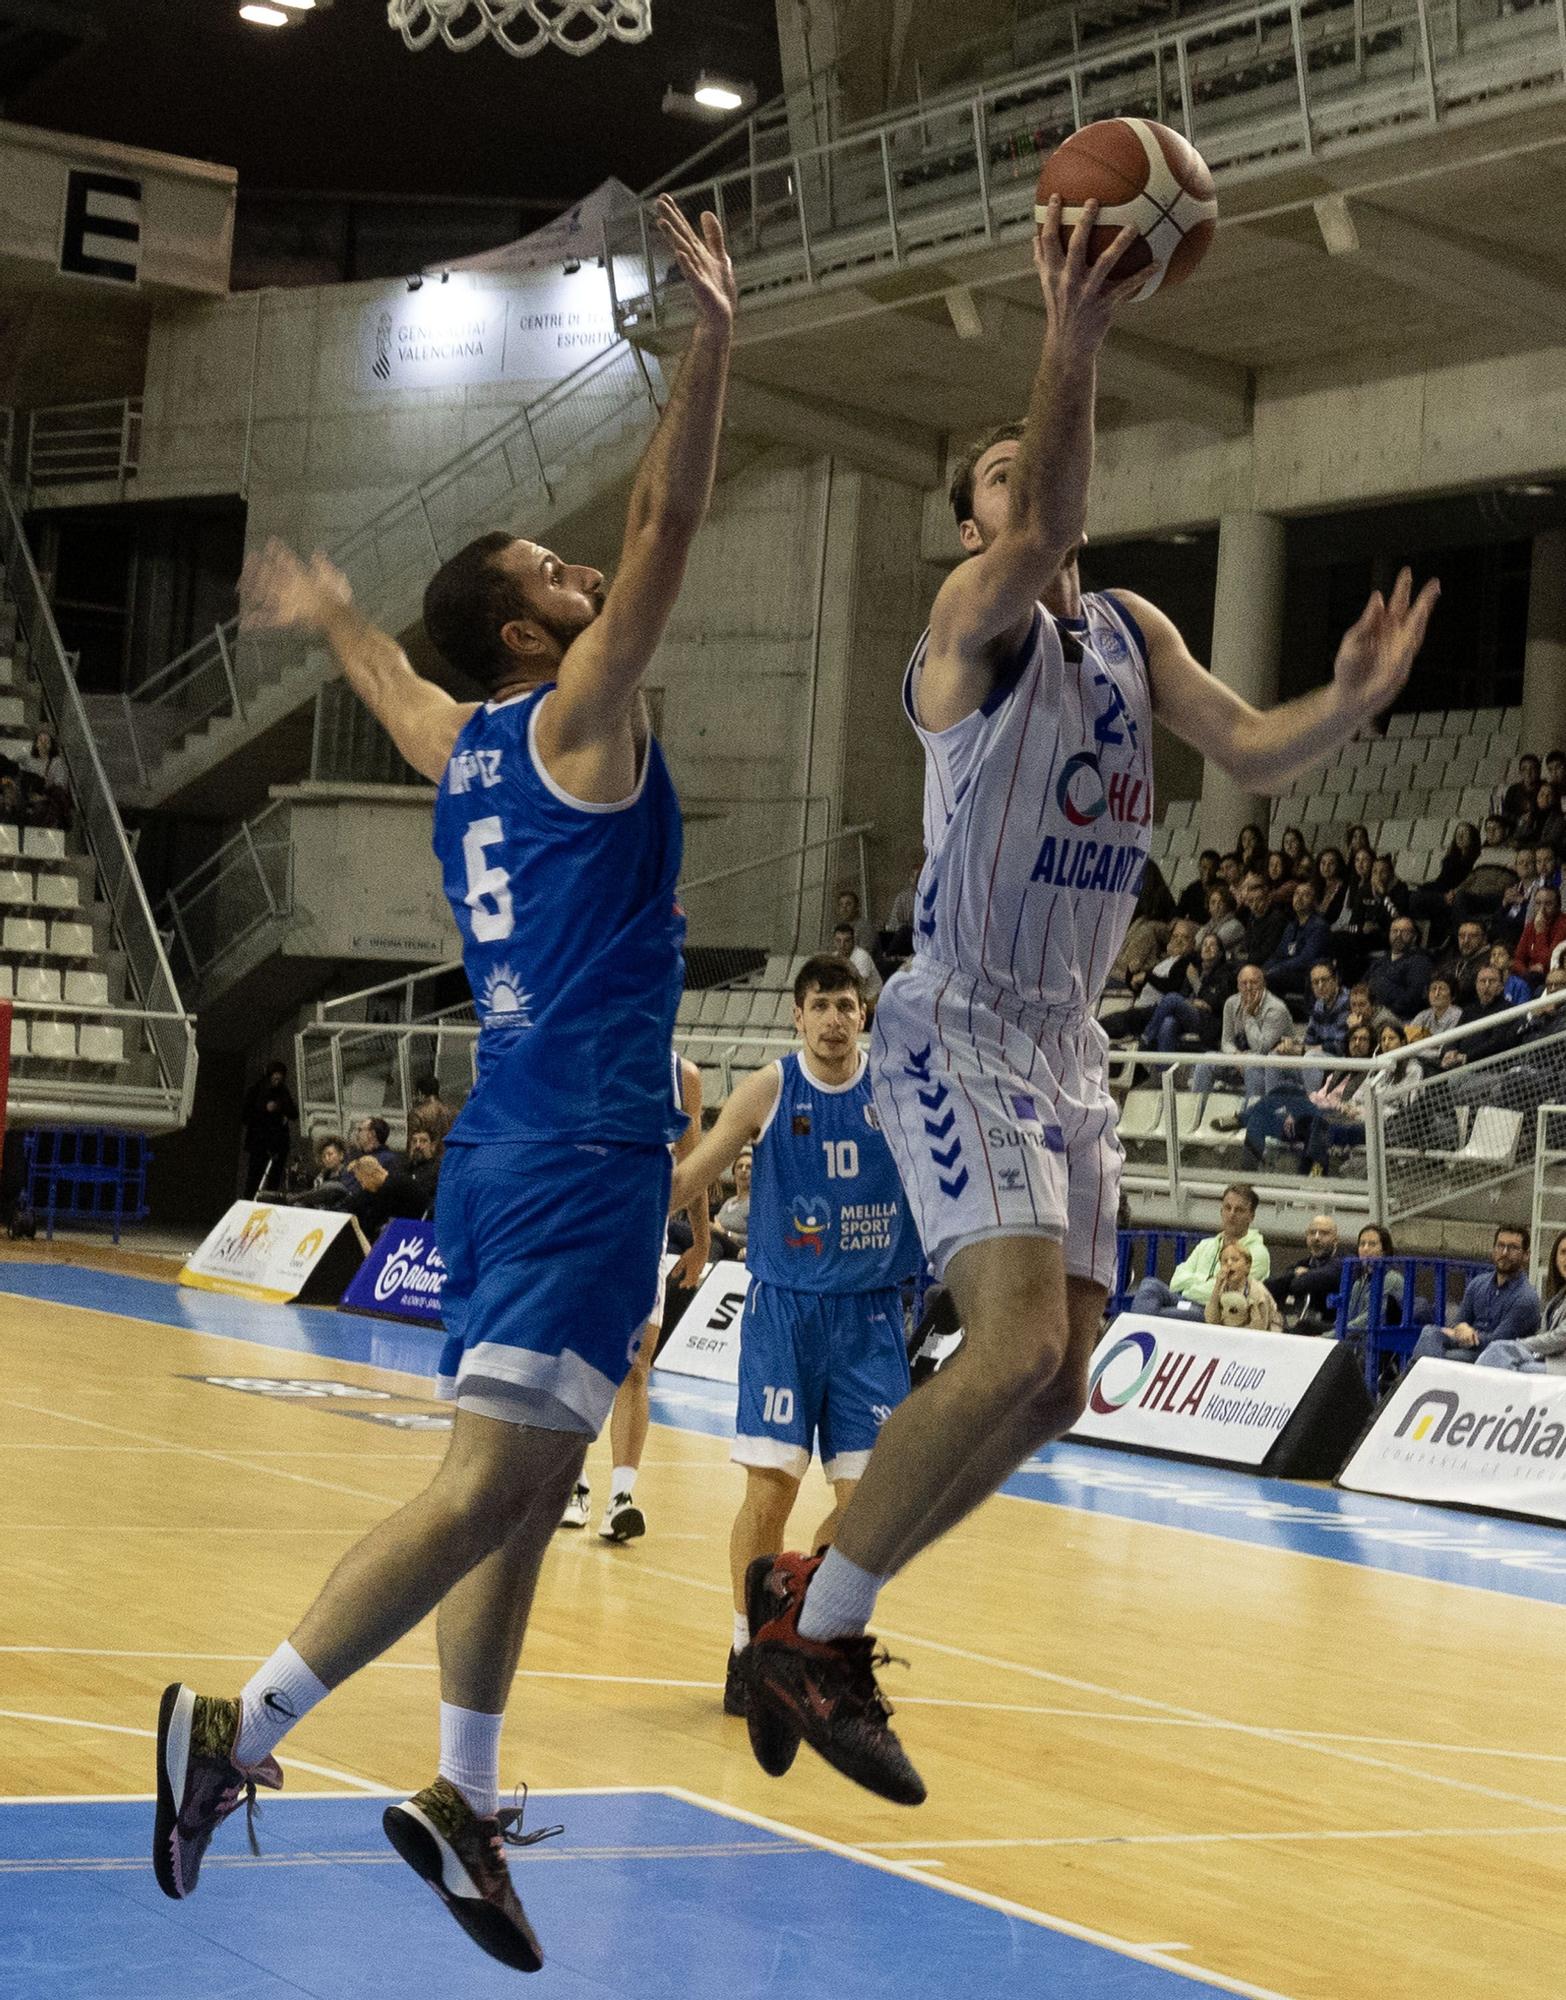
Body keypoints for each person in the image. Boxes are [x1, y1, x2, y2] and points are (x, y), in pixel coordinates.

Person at [730, 197, 1435, 1810]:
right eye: (993, 482)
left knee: (1062, 1380)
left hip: (1067, 1040)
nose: (1022, 498)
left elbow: (1250, 751)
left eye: (1021, 475)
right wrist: (1076, 324)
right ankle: (820, 1633)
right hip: (961, 1016)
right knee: (1007, 1347)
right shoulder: (961, 637)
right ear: (967, 522)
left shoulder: (1128, 628)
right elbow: (1039, 530)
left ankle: (810, 1595)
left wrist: (1353, 700)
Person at [149, 197, 738, 1970]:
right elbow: (669, 516)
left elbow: (396, 690)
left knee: (534, 1480)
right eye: (551, 575)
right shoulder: (574, 720)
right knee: (490, 1490)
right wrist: (712, 344)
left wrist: (333, 616)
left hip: (515, 1142)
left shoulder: (466, 743)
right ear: (524, 633)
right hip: (569, 1150)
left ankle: (464, 1793)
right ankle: (238, 1735)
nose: (584, 577)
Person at [667, 954, 917, 1719]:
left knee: (874, 1507)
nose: (836, 1018)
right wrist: (612, 1209)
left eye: (847, 1003)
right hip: (786, 1313)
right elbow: (691, 1174)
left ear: (864, 1016)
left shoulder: (899, 1091)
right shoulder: (771, 1089)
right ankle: (749, 1650)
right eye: (821, 1005)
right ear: (796, 1017)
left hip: (872, 1317)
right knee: (769, 1495)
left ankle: (807, 1625)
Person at [569, 1053, 711, 1544]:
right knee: (578, 1363)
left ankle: (621, 1497)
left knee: (635, 1365)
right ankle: (575, 1483)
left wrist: (702, 1238)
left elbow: (691, 1166)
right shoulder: (584, 1064)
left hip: (645, 1244)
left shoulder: (682, 1077)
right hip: (582, 1240)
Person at [1132, 1185, 1271, 1319]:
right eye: (1227, 1208)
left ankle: (1137, 1335)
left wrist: (1190, 1287)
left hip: (1217, 1312)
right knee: (1149, 1285)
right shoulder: (1206, 1245)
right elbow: (1176, 1281)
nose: (1232, 1214)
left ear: (1251, 1216)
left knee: (1156, 1314)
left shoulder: (1257, 1253)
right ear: (1221, 1211)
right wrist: (1207, 1280)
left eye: (1239, 1210)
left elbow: (1226, 1293)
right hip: (1185, 1300)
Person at [1408, 1225, 1540, 1363]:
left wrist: (1469, 1335)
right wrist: (1462, 1329)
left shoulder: (1526, 1298)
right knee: (1430, 1332)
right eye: (1500, 1245)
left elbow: (1498, 1341)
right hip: (1468, 1344)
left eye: (1513, 1248)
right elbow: (1459, 1322)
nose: (1505, 1252)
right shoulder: (1478, 1283)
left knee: (1441, 1358)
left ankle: (1416, 1377)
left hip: (1497, 1357)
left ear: (1526, 1255)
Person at [1195, 961, 1293, 1106]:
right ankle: (1196, 1115)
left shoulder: (1276, 1009)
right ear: (1237, 986)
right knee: (1205, 1061)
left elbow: (1261, 1048)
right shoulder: (1231, 1003)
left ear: (1263, 984)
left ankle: (1251, 1120)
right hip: (1239, 1060)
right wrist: (1236, 1056)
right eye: (1244, 983)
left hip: (1268, 1067)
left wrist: (1249, 1015)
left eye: (1253, 982)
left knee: (1252, 1067)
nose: (1248, 988)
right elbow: (1226, 1042)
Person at [1477, 1227, 1566, 1373]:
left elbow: (1560, 1337)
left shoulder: (1526, 1296)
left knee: (1506, 1356)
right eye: (1563, 1252)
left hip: (1559, 1366)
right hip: (1551, 1361)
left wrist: (1518, 1344)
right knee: (1500, 1351)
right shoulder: (1559, 1297)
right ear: (1555, 1258)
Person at [1263, 882, 1334, 997]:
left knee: (1271, 978)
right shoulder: (1291, 926)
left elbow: (1305, 960)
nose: (1299, 899)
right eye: (1296, 894)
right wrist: (1263, 968)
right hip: (1287, 971)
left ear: (1314, 902)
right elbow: (1278, 955)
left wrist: (1275, 969)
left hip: (1307, 976)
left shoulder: (1319, 927)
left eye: (1305, 895)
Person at [1267, 1213, 1342, 1319]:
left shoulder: (1343, 1262)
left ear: (1336, 1239)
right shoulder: (1302, 1264)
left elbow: (1305, 1283)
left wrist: (1301, 1277)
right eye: (1312, 1232)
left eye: (1324, 1233)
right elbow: (1269, 1287)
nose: (1316, 1238)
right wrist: (1293, 1274)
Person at [240, 1061, 297, 1198]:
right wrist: (264, 1110)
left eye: (280, 1079)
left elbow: (294, 1113)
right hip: (259, 1141)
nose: (277, 1081)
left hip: (278, 1143)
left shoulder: (283, 1092)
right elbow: (245, 1116)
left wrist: (279, 1107)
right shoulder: (256, 1090)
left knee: (274, 1179)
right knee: (254, 1178)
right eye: (274, 1078)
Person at [1204, 1240, 1282, 1331]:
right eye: (1224, 1261)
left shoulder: (1257, 1292)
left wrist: (1234, 1335)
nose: (1229, 1264)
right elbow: (1211, 1320)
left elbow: (1259, 1328)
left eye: (1235, 1260)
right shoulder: (1221, 1288)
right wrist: (1216, 1287)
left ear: (1247, 1266)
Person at [1366, 916, 1431, 1021]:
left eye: (1404, 932)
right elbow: (1363, 987)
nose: (1398, 935)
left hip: (1401, 1019)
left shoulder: (1420, 962)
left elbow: (1413, 1000)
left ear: (1414, 937)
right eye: (1394, 931)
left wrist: (1384, 1008)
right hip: (1373, 1015)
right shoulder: (1379, 962)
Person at [1513, 887, 1566, 989]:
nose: (1542, 909)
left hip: (1554, 977)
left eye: (1548, 904)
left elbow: (1548, 962)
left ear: (1558, 906)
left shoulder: (1563, 925)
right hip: (1531, 976)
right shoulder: (1531, 925)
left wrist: (1540, 933)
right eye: (1538, 903)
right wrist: (1527, 971)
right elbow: (1517, 959)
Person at [832, 922, 883, 1006]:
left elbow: (858, 985)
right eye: (838, 941)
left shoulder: (862, 956)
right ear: (834, 941)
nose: (842, 945)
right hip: (852, 998)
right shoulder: (833, 957)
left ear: (853, 941)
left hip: (871, 1000)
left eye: (847, 941)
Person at [409, 1073, 457, 1147]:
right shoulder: (454, 1111)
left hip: (428, 1157)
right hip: (451, 1156)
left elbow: (412, 1145)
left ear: (420, 1092)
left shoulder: (417, 1113)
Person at [1175, 848, 1221, 923]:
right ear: (1199, 866)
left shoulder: (1222, 887)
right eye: (1204, 867)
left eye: (1211, 868)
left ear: (1217, 869)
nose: (1207, 872)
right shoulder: (1193, 888)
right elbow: (1180, 910)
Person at [1501, 753, 1542, 828]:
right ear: (1520, 772)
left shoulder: (1544, 788)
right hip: (1517, 828)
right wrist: (1519, 819)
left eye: (1532, 768)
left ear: (1538, 770)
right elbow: (1505, 813)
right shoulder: (1513, 790)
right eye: (1524, 769)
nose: (1528, 773)